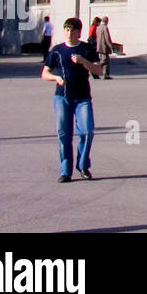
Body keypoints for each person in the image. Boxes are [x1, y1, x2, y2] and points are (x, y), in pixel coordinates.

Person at [42, 17, 102, 182]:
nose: (69, 33)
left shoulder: (86, 49)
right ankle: (65, 170)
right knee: (64, 135)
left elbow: (99, 70)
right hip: (62, 97)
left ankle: (83, 166)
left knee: (87, 131)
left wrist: (83, 61)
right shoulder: (57, 50)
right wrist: (56, 78)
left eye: (72, 30)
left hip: (82, 98)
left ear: (78, 32)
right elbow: (44, 73)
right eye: (66, 30)